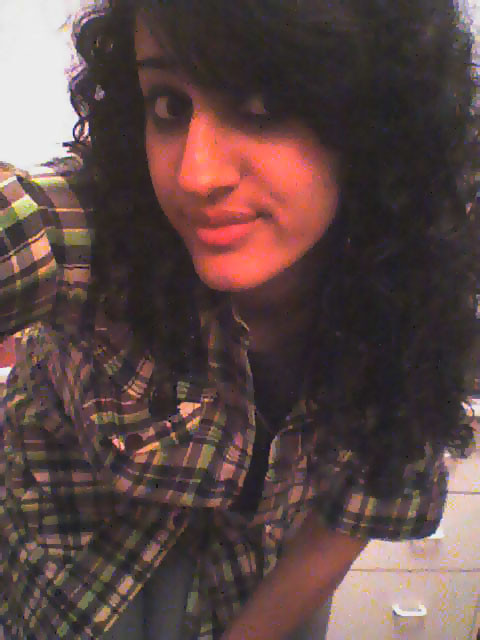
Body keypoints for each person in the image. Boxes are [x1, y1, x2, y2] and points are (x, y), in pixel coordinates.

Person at [0, 1, 478, 638]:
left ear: (378, 120)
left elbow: (350, 514)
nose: (195, 175)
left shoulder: (419, 286)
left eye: (263, 105)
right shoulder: (108, 223)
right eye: (169, 104)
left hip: (268, 582)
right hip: (79, 578)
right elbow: (25, 226)